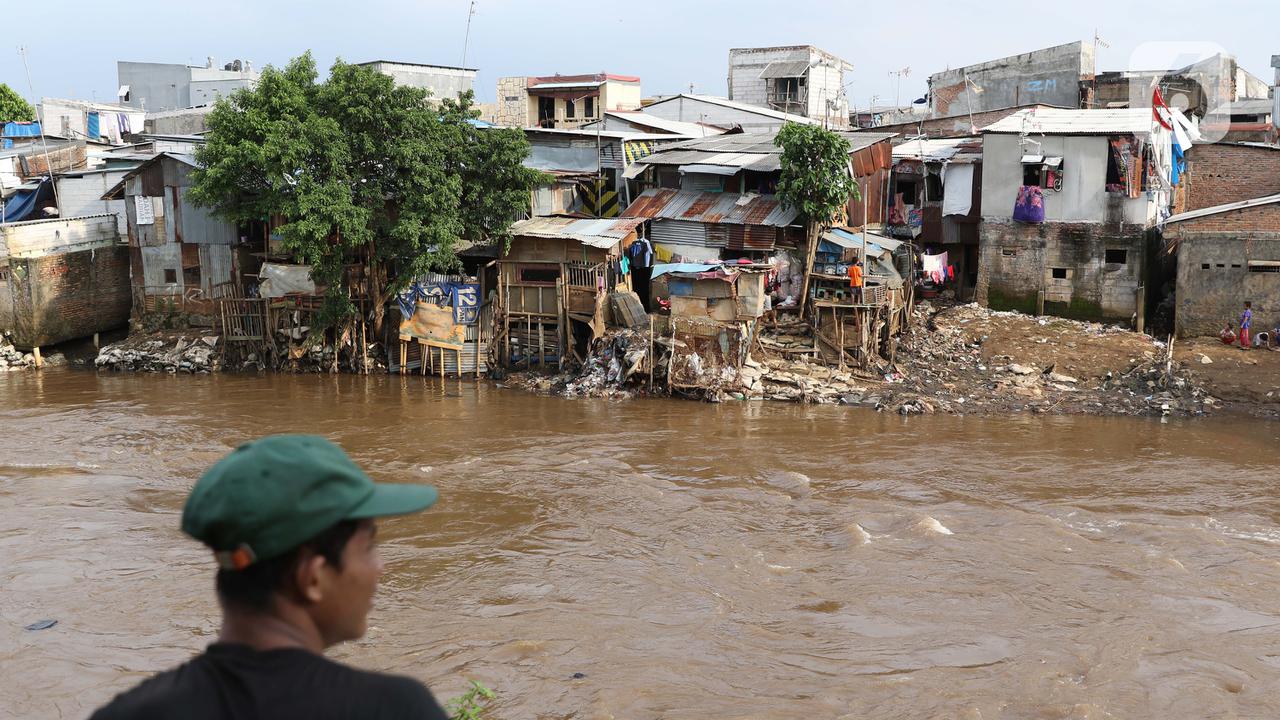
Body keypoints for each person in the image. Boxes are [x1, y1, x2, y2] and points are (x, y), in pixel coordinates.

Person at [91, 435, 449, 720]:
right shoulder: (394, 709)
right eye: (369, 547)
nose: (380, 567)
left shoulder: (128, 712)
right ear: (313, 578)